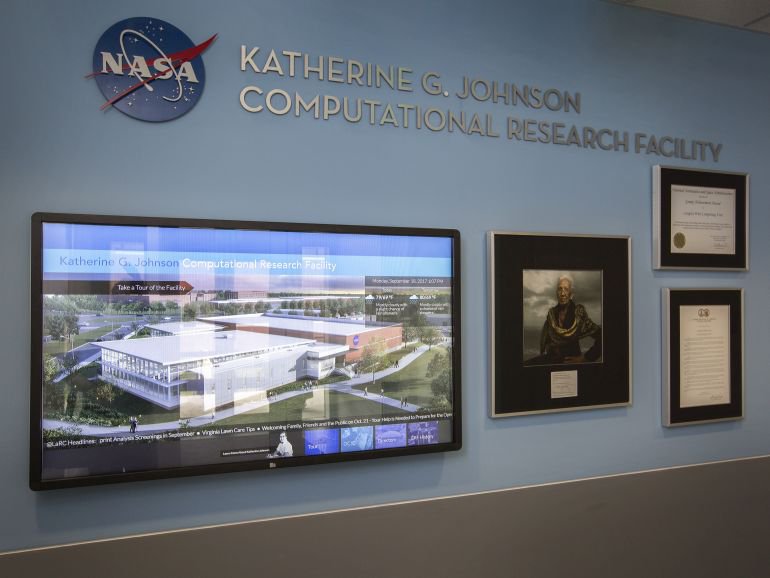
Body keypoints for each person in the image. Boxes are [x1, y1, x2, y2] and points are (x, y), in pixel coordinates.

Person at [527, 275, 601, 365]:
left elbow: (603, 337)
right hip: (552, 360)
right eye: (560, 289)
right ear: (557, 293)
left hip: (570, 362)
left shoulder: (579, 315)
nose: (562, 293)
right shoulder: (551, 315)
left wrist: (586, 358)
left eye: (566, 289)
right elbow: (547, 341)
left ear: (571, 294)